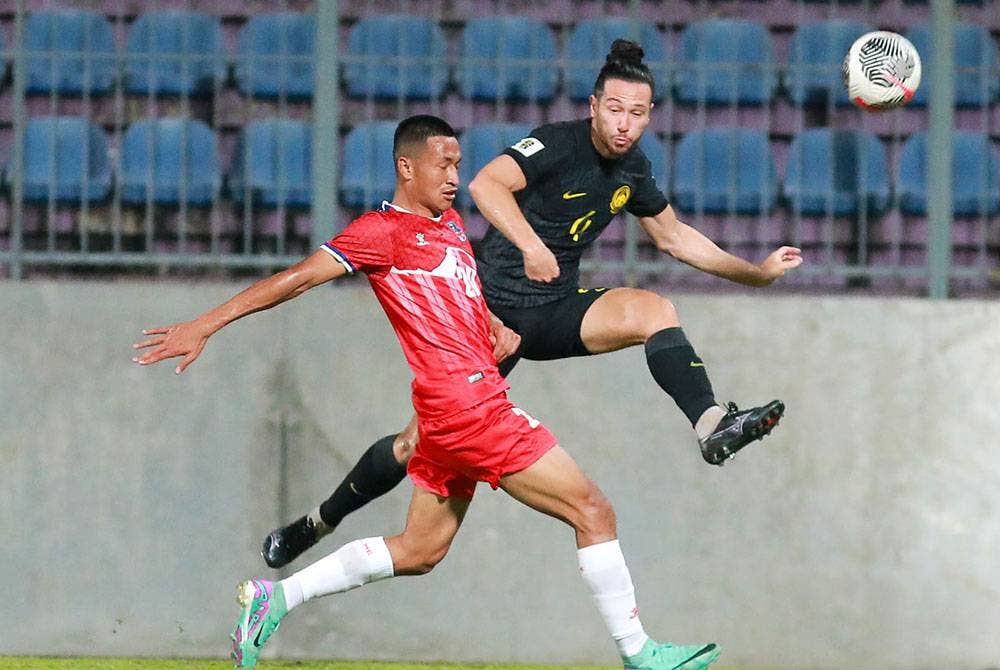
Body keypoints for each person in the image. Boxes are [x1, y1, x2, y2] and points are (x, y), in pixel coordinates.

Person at [132, 114, 721, 670]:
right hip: (470, 409)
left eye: (458, 164)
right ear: (407, 167)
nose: (454, 176)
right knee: (593, 511)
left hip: (445, 415)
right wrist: (204, 324)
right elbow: (296, 279)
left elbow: (462, 298)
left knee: (419, 552)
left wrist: (493, 327)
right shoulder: (381, 233)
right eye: (443, 164)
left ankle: (276, 598)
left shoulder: (451, 226)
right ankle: (637, 652)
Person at [261, 40, 804, 572]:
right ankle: (318, 522)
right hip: (488, 317)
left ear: (649, 116)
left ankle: (711, 424)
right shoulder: (555, 144)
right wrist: (530, 245)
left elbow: (674, 237)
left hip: (553, 309)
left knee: (654, 311)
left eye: (637, 114)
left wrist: (755, 274)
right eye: (615, 109)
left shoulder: (634, 168)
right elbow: (486, 184)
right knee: (411, 445)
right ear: (593, 106)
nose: (624, 124)